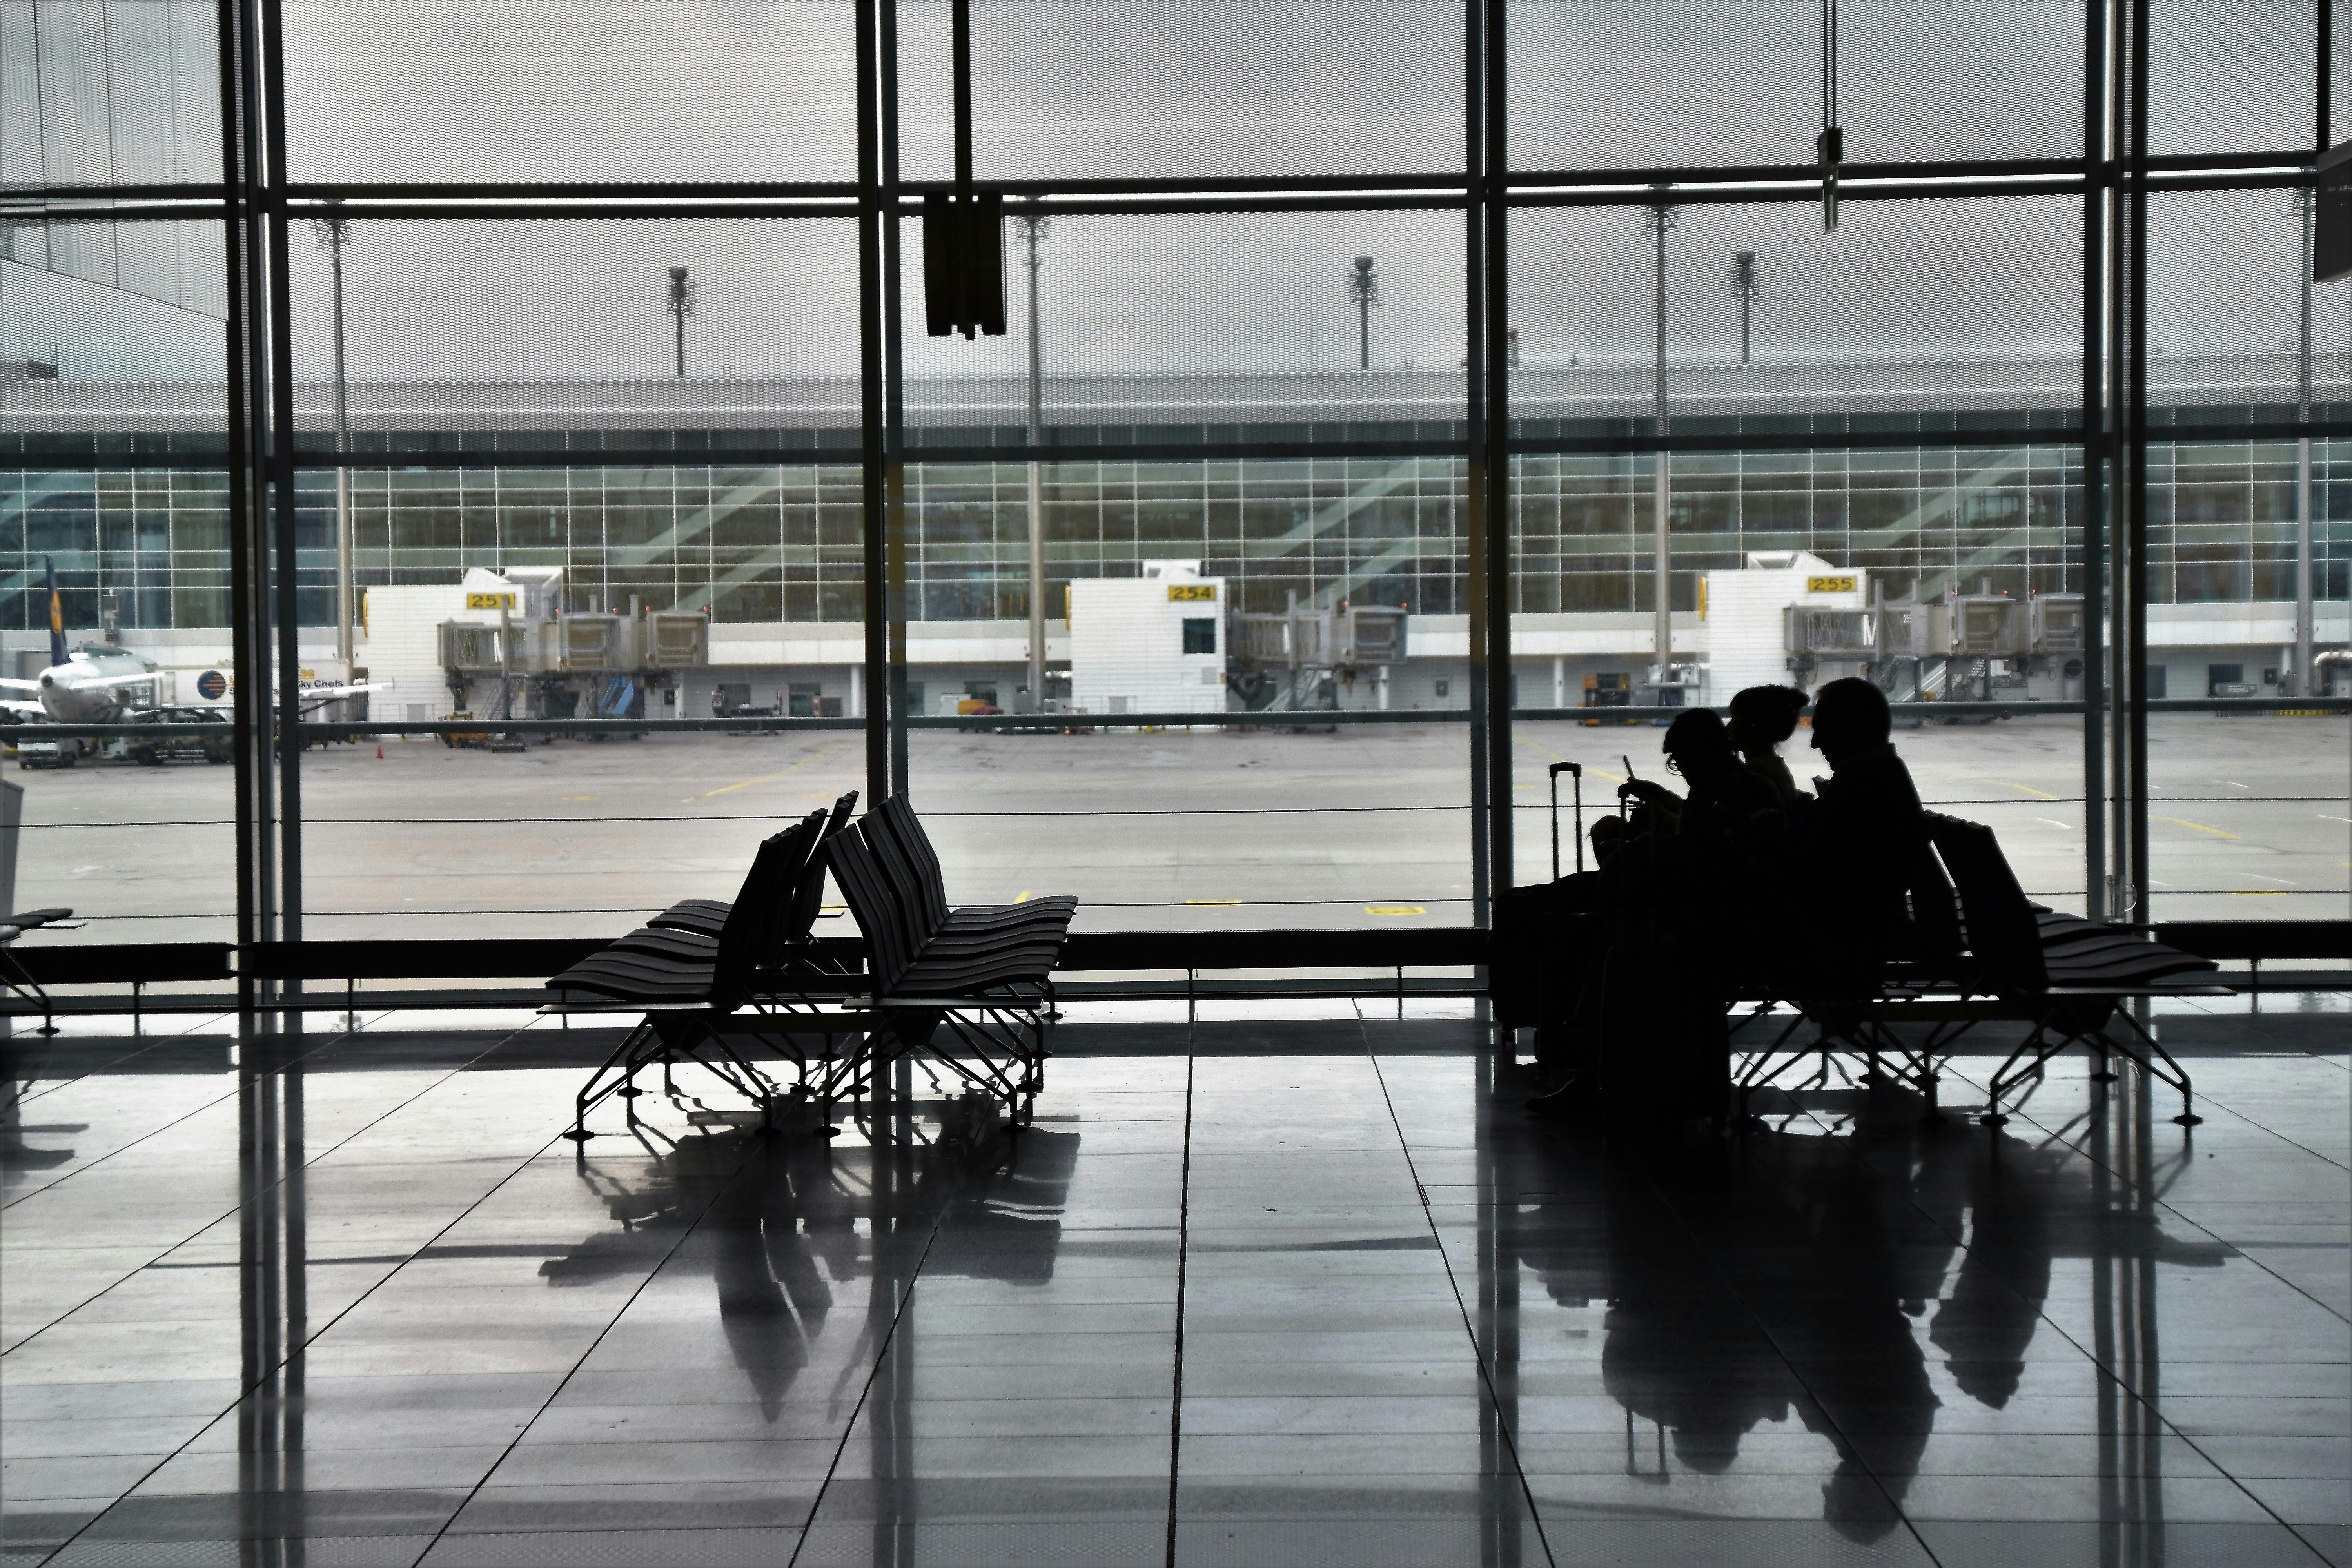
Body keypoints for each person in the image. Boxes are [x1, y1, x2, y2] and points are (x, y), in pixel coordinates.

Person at [1798, 677, 1928, 1005]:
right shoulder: (1878, 780)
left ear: (1850, 729)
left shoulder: (1864, 788)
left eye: (1823, 728)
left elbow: (1811, 864)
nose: (1815, 743)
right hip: (1856, 935)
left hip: (1845, 942)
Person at [1726, 684, 1812, 811]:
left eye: (1735, 718)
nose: (1729, 727)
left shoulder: (1756, 771)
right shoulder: (1772, 766)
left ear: (1753, 724)